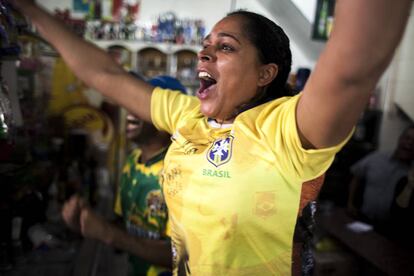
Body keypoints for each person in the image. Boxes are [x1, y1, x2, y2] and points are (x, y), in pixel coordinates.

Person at [11, 0, 412, 274]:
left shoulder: (286, 129)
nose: (204, 55)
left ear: (265, 74)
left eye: (225, 48)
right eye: (205, 47)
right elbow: (105, 75)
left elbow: (352, 68)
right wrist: (30, 10)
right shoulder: (187, 116)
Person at [62, 75, 186, 276]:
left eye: (142, 104)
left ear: (170, 117)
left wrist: (109, 234)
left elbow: (183, 256)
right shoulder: (132, 161)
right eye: (131, 102)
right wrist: (88, 224)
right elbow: (125, 230)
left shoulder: (182, 171)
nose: (130, 111)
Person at [347, 125, 414, 233]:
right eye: (407, 138)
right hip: (362, 220)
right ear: (400, 139)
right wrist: (350, 203)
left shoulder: (411, 173)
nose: (410, 143)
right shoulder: (377, 158)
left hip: (390, 230)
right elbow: (356, 174)